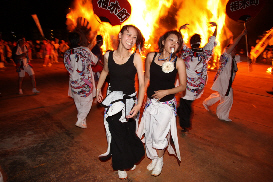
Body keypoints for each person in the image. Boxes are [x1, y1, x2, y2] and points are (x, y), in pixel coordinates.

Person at [96, 25, 145, 179]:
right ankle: (120, 165)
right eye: (128, 35)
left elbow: (142, 84)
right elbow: (104, 72)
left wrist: (139, 104)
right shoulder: (108, 56)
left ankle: (129, 156)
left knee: (128, 133)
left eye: (134, 37)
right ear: (120, 35)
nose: (130, 39)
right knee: (116, 133)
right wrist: (98, 90)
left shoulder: (136, 58)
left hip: (130, 101)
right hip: (113, 102)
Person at [137, 30, 187, 176]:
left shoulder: (179, 62)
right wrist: (142, 98)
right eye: (171, 40)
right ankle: (154, 157)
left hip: (166, 105)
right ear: (163, 41)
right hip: (151, 103)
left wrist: (166, 92)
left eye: (177, 42)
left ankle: (160, 160)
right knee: (151, 134)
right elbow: (146, 78)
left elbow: (183, 86)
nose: (174, 44)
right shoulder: (151, 56)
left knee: (159, 135)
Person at [178, 22, 217, 132]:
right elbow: (212, 40)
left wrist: (180, 29)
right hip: (196, 87)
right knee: (185, 103)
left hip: (186, 86)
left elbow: (180, 41)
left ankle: (185, 125)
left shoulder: (186, 52)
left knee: (186, 105)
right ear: (200, 43)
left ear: (191, 43)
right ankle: (179, 112)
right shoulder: (205, 53)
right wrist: (216, 28)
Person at [203, 29, 247, 121]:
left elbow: (242, 58)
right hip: (224, 81)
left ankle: (206, 103)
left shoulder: (233, 57)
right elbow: (233, 44)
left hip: (225, 81)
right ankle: (222, 115)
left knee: (221, 94)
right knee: (228, 97)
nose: (235, 51)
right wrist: (242, 34)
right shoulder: (225, 55)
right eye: (233, 49)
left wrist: (249, 59)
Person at [64, 31, 98, 129]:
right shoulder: (85, 50)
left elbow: (68, 67)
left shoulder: (66, 53)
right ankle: (80, 119)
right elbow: (94, 61)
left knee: (78, 100)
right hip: (85, 82)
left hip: (74, 82)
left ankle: (82, 120)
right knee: (88, 100)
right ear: (79, 40)